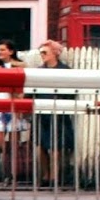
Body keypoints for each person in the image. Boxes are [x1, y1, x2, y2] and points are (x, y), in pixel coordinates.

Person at [33, 39, 74, 188]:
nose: (42, 55)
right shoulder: (38, 71)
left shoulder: (65, 70)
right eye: (41, 53)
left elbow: (70, 92)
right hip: (41, 111)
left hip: (58, 111)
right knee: (40, 146)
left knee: (56, 145)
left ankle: (55, 176)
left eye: (45, 52)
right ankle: (45, 174)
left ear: (55, 53)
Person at [0, 39, 26, 183]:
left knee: (13, 139)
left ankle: (10, 173)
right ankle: (5, 159)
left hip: (14, 104)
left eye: (3, 49)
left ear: (11, 51)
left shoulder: (20, 65)